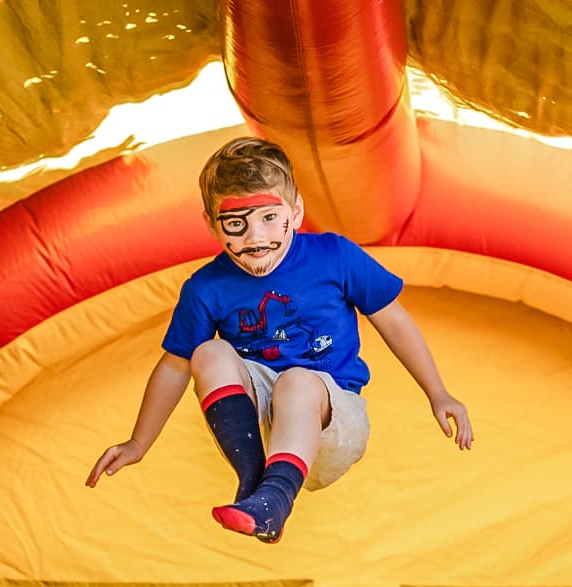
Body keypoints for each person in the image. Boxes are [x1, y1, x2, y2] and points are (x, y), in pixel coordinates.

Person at [86, 136, 473, 543]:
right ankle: (257, 488)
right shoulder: (206, 287)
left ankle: (276, 492)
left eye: (270, 217)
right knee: (208, 350)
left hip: (332, 420)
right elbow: (175, 365)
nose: (255, 238)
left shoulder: (334, 256)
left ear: (297, 211)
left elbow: (392, 321)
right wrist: (138, 442)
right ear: (211, 224)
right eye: (236, 223)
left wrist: (438, 393)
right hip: (261, 425)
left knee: (296, 380)